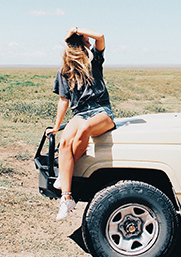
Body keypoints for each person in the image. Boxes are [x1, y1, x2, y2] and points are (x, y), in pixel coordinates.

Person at [46, 27, 115, 220]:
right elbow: (63, 101)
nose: (88, 40)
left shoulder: (95, 60)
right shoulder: (64, 71)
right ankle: (66, 199)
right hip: (80, 112)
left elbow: (101, 36)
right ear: (78, 44)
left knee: (84, 129)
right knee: (65, 143)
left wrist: (77, 29)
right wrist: (55, 125)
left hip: (101, 111)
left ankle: (64, 174)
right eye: (84, 39)